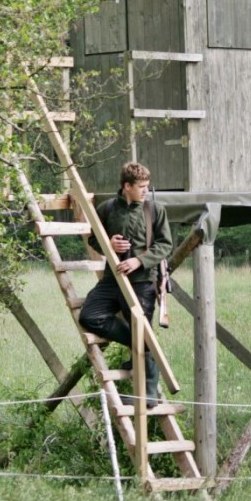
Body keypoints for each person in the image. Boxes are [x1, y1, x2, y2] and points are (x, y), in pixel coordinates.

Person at [79, 162, 173, 407]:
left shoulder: (155, 209)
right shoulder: (107, 208)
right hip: (113, 280)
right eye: (141, 186)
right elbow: (93, 239)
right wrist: (108, 244)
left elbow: (165, 245)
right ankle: (139, 342)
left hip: (143, 282)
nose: (145, 190)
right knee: (89, 317)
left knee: (142, 329)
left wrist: (138, 261)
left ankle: (149, 394)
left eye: (147, 186)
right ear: (126, 186)